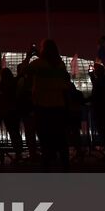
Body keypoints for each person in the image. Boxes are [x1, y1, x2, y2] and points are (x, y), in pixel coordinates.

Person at [24, 39, 70, 170]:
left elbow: (23, 70)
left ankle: (46, 166)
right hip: (59, 106)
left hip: (42, 106)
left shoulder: (38, 64)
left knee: (45, 139)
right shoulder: (60, 64)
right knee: (61, 139)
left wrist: (29, 55)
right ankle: (65, 165)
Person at [0, 61, 24, 163]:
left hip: (4, 111)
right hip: (14, 111)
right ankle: (18, 153)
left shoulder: (0, 86)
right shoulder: (14, 83)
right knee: (15, 132)